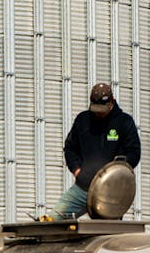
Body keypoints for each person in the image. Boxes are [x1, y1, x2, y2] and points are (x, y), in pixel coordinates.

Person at [42, 81, 141, 221]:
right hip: (82, 188)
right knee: (52, 220)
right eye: (96, 109)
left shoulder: (124, 122)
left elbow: (134, 153)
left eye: (102, 110)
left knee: (108, 234)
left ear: (112, 102)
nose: (99, 114)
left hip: (110, 193)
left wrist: (117, 170)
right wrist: (77, 170)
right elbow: (70, 148)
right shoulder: (83, 120)